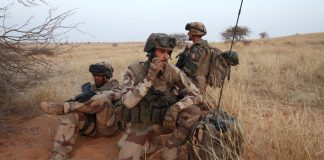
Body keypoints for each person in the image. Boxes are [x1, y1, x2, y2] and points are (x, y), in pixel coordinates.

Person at [118, 33, 206, 160]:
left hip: (166, 121)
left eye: (168, 52)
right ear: (151, 51)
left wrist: (176, 108)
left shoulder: (172, 71)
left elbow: (197, 95)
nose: (166, 57)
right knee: (125, 156)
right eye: (162, 51)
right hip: (143, 124)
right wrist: (149, 78)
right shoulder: (135, 70)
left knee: (194, 112)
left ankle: (171, 146)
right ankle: (150, 141)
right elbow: (128, 102)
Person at [40, 62, 122, 160]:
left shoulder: (113, 84)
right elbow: (78, 98)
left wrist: (95, 94)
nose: (96, 78)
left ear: (107, 76)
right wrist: (80, 98)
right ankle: (60, 154)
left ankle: (64, 107)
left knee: (102, 99)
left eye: (99, 76)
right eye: (94, 75)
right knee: (71, 113)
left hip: (108, 127)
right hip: (93, 128)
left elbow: (117, 94)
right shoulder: (91, 88)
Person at [175, 22, 214, 94]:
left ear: (194, 32)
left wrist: (175, 77)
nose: (188, 34)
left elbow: (189, 69)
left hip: (194, 83)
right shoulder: (201, 46)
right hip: (194, 82)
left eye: (189, 31)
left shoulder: (198, 49)